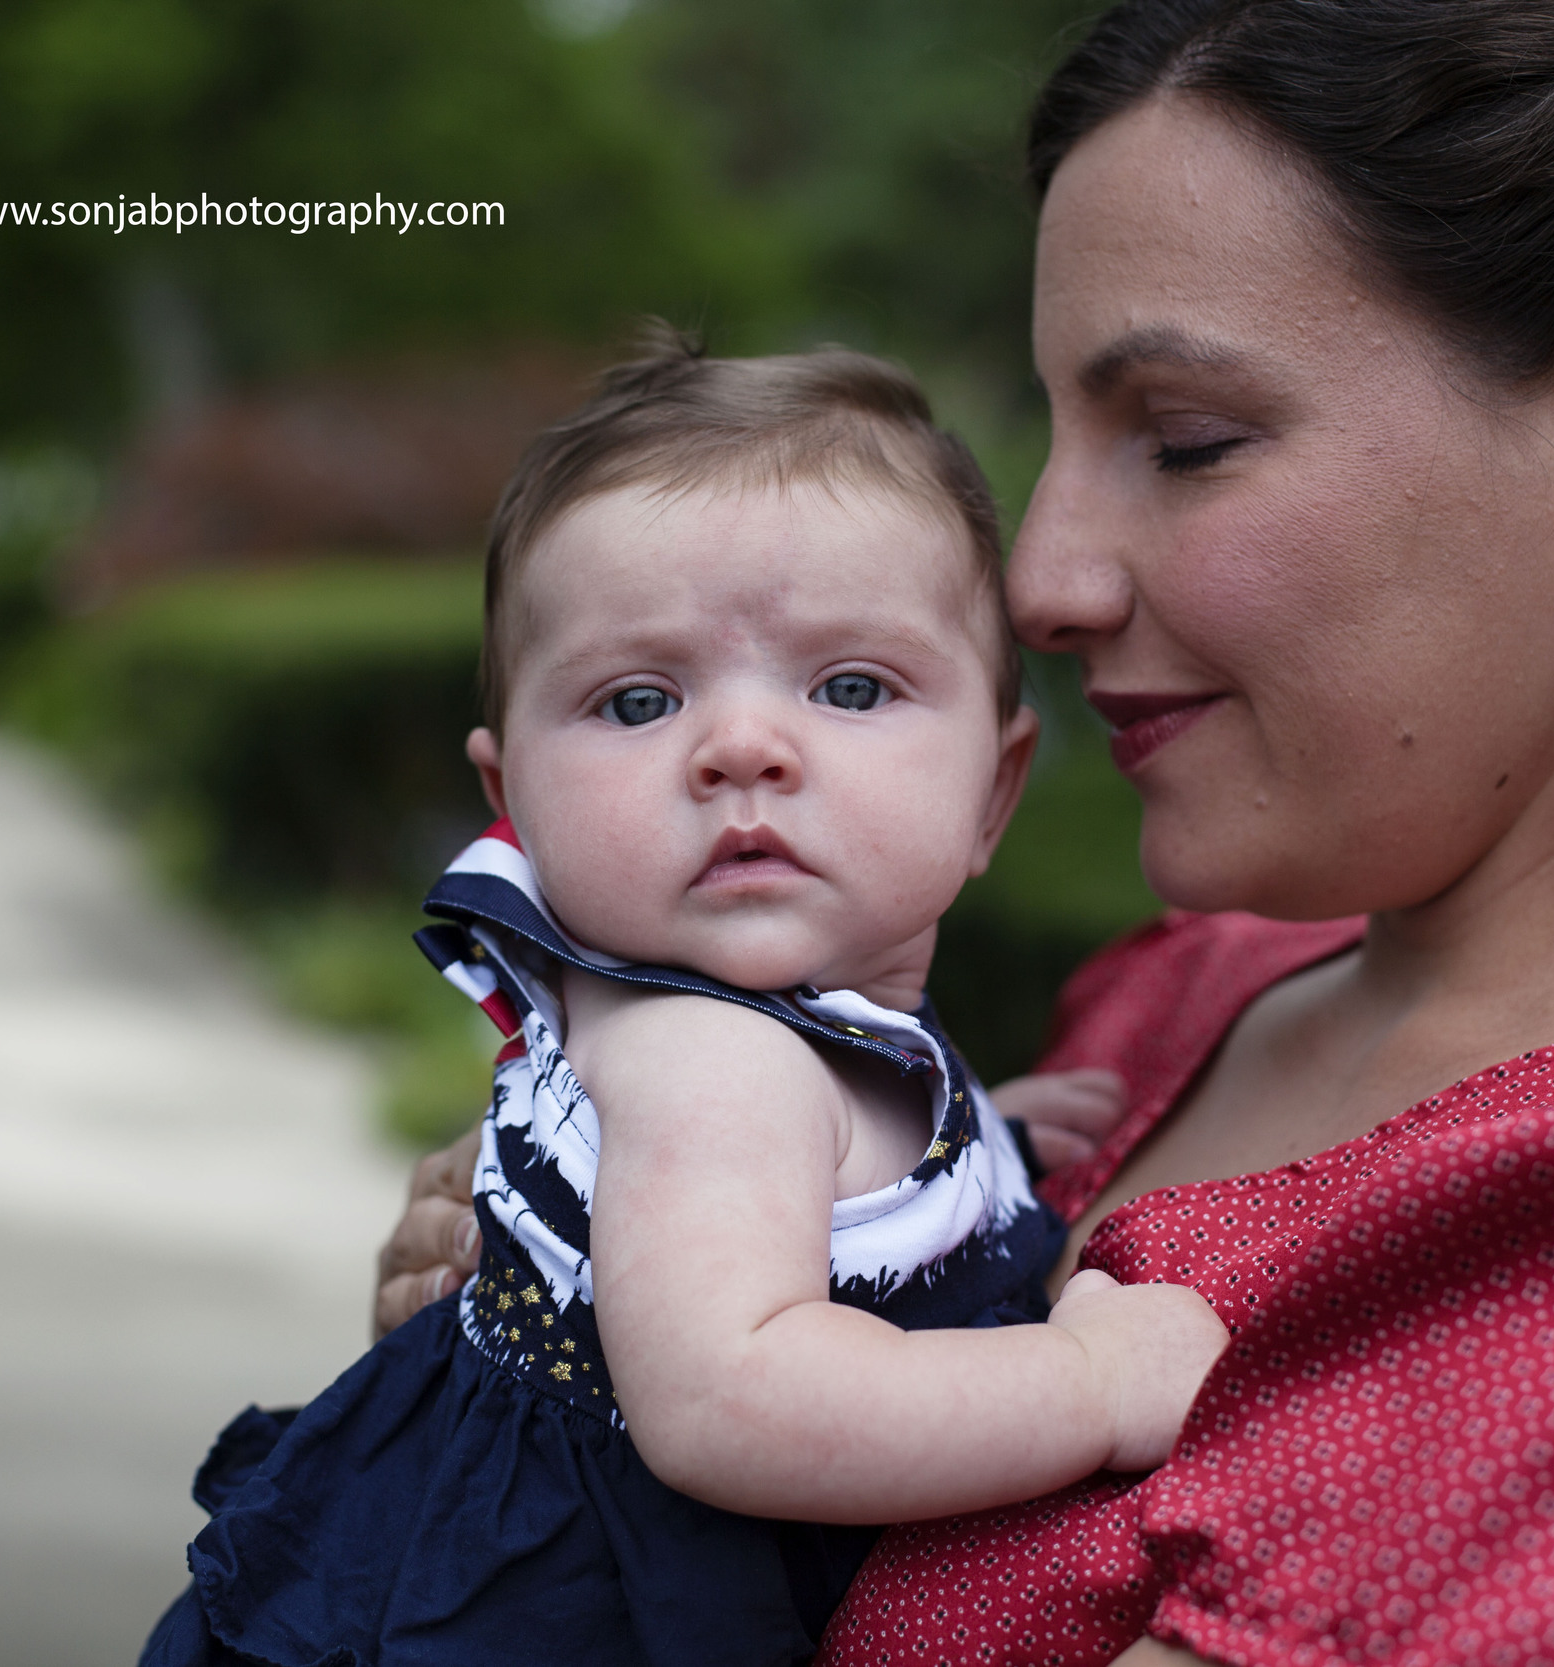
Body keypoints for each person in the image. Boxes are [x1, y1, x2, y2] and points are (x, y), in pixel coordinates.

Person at [376, 1, 1554, 1661]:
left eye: (1187, 443)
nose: (1043, 580)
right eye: (1061, 440)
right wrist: (535, 1339)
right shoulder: (1192, 991)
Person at [141, 336, 1228, 1667]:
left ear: (991, 791)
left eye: (849, 687)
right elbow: (733, 1397)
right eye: (639, 699)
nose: (741, 749)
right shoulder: (714, 1062)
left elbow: (781, 1223)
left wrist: (960, 1156)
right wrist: (1093, 1384)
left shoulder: (793, 1054)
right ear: (514, 802)